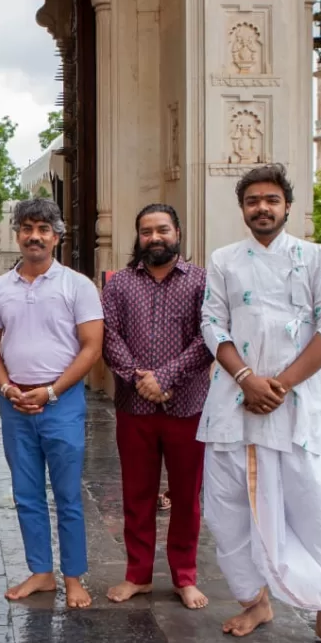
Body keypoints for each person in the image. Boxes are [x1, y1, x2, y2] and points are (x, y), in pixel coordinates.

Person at [198, 164, 321, 643]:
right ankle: (257, 602)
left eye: (271, 199)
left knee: (309, 514)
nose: (262, 208)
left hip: (295, 411)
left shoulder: (316, 258)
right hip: (234, 404)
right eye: (252, 201)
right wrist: (247, 378)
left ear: (287, 206)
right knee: (228, 514)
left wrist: (281, 385)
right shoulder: (224, 260)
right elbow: (212, 321)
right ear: (243, 208)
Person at [0, 198, 103, 608]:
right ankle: (41, 572)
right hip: (15, 402)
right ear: (17, 233)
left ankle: (73, 577)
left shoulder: (78, 285)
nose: (34, 236)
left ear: (57, 235)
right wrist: (6, 388)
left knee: (67, 495)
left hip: (61, 402)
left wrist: (52, 391)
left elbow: (91, 348)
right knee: (26, 493)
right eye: (27, 228)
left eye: (44, 229)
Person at [101, 203, 213, 610]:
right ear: (138, 237)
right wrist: (138, 379)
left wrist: (164, 378)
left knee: (186, 496)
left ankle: (185, 576)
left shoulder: (201, 281)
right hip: (135, 406)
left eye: (162, 229)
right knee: (137, 494)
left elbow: (209, 339)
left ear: (178, 232)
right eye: (146, 231)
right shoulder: (118, 285)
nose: (155, 238)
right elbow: (108, 336)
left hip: (187, 405)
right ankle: (138, 575)